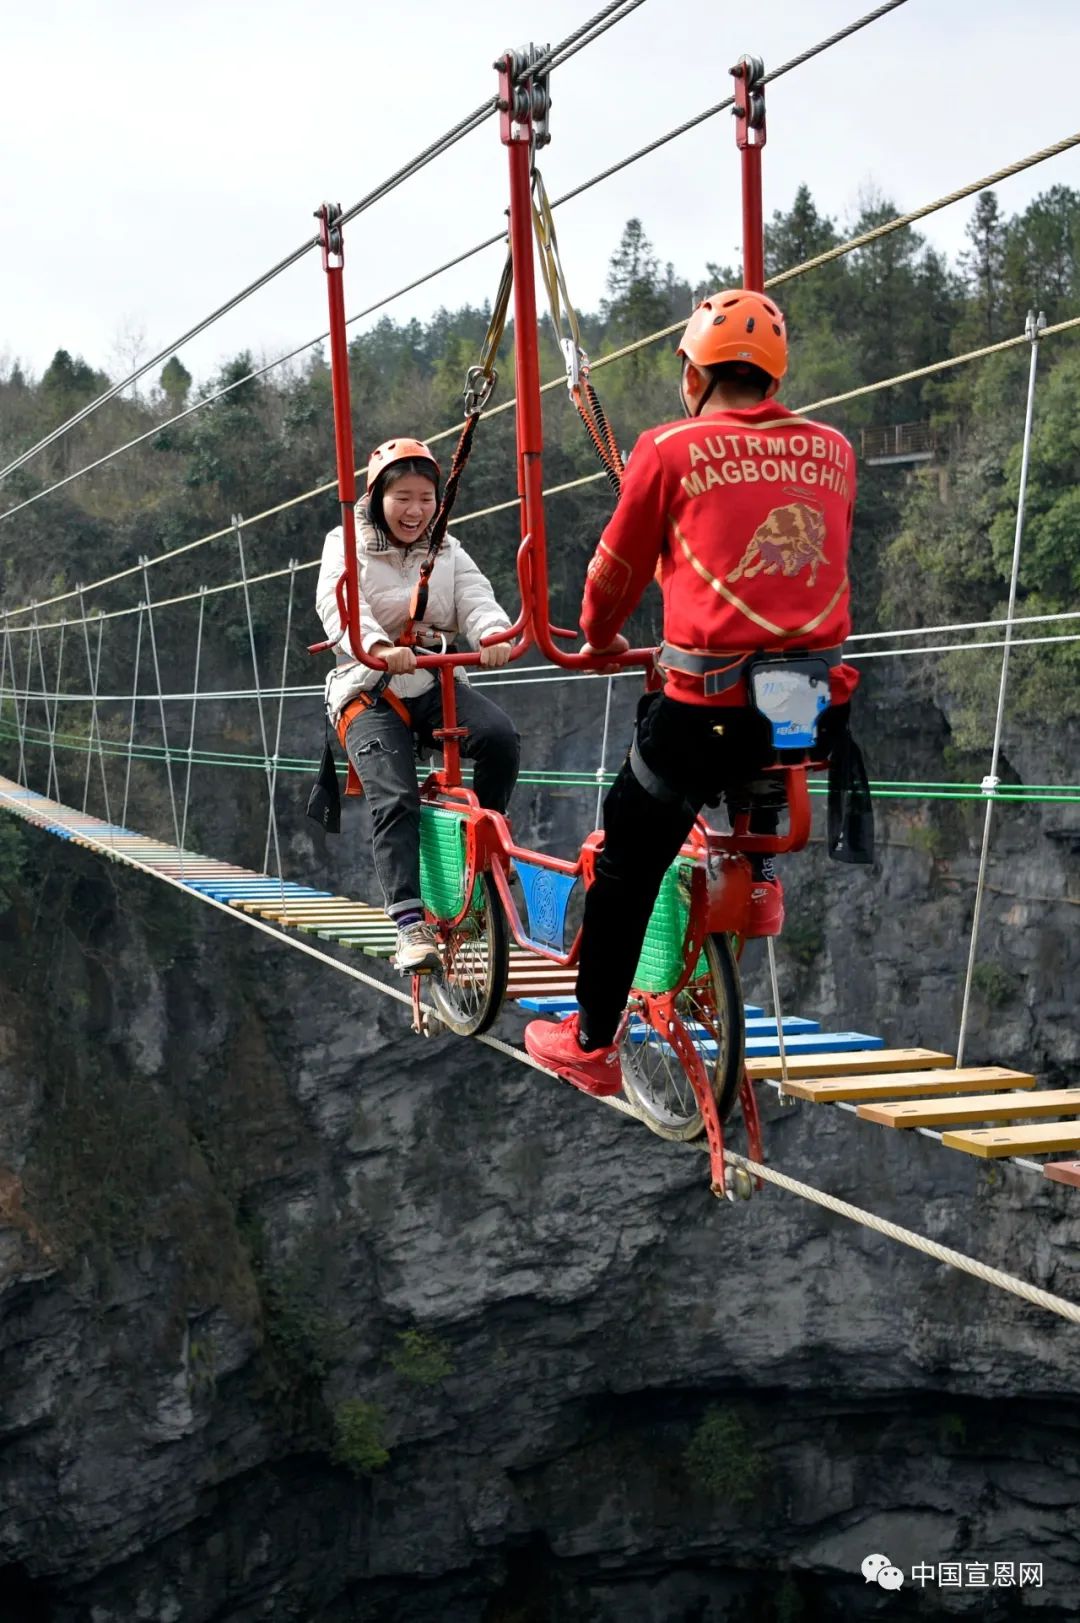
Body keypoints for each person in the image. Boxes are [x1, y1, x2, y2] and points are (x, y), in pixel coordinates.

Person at [524, 288, 860, 1096]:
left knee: (629, 858)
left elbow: (611, 577)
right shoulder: (834, 450)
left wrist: (601, 637)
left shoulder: (667, 448)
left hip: (708, 711)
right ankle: (761, 865)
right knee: (765, 729)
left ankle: (595, 1040)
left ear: (693, 372)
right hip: (813, 706)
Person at [316, 437, 520, 973]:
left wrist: (493, 632)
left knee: (499, 737)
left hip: (430, 683)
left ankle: (487, 851)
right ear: (378, 497)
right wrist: (380, 648)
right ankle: (409, 925)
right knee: (394, 796)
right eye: (403, 497)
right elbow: (339, 603)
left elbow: (475, 597)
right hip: (368, 687)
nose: (416, 511)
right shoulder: (345, 543)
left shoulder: (446, 549)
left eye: (427, 498)